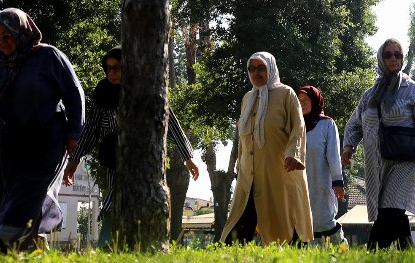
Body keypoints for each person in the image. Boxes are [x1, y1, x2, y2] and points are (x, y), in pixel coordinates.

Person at [63, 46, 199, 246]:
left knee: (140, 204)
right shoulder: (102, 93)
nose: (112, 73)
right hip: (114, 161)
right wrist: (74, 160)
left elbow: (170, 124)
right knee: (114, 202)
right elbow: (91, 129)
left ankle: (143, 247)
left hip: (143, 162)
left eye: (117, 68)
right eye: (108, 68)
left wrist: (188, 157)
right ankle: (107, 246)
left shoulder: (146, 91)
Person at [0, 8, 84, 251]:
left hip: (45, 143)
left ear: (22, 32)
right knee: (11, 198)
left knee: (28, 193)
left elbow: (74, 94)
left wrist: (74, 134)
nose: (3, 43)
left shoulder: (48, 57)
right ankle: (32, 248)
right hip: (7, 149)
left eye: (8, 36)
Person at [341, 38, 415, 250]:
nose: (394, 59)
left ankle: (374, 250)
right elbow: (355, 123)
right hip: (377, 161)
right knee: (391, 205)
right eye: (389, 55)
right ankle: (407, 250)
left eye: (398, 54)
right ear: (380, 58)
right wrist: (349, 145)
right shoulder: (370, 94)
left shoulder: (411, 88)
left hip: (404, 158)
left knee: (390, 207)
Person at [219, 52, 313, 245]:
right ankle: (231, 259)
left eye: (261, 68)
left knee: (284, 218)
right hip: (249, 174)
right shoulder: (247, 98)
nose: (256, 73)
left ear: (270, 68)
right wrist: (240, 164)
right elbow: (244, 137)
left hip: (279, 171)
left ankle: (294, 259)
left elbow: (298, 127)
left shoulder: (285, 94)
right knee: (240, 222)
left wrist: (293, 155)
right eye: (252, 69)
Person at [297, 85, 347, 247]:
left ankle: (341, 249)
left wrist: (337, 181)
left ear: (315, 101)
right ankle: (311, 258)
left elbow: (333, 155)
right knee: (304, 221)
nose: (302, 104)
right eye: (299, 101)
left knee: (323, 220)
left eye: (305, 100)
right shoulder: (295, 126)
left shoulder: (327, 124)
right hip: (300, 183)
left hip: (321, 182)